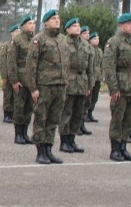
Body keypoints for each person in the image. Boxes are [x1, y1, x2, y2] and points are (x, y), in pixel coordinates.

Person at [27, 9, 69, 165]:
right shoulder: (39, 40)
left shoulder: (63, 40)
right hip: (44, 86)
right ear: (45, 22)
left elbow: (66, 63)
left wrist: (66, 82)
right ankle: (40, 151)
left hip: (60, 85)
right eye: (53, 19)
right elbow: (31, 66)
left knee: (53, 119)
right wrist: (33, 88)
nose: (57, 21)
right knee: (41, 118)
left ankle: (49, 149)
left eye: (58, 18)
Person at [103, 13, 131, 162]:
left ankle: (124, 146)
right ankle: (115, 149)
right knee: (118, 118)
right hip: (121, 84)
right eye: (127, 23)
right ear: (121, 25)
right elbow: (109, 67)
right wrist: (113, 89)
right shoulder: (114, 42)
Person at [58, 18, 93, 154]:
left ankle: (72, 140)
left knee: (78, 113)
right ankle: (64, 141)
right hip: (69, 80)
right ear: (67, 29)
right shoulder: (63, 43)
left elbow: (90, 67)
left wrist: (89, 85)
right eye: (74, 26)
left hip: (81, 81)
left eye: (78, 26)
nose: (77, 28)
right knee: (66, 112)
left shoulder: (85, 45)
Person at [7, 15, 36, 145]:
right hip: (21, 79)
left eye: (33, 23)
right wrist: (13, 80)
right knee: (19, 107)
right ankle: (18, 133)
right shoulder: (17, 40)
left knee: (29, 108)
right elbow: (11, 61)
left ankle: (25, 132)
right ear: (23, 25)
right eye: (29, 23)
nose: (32, 25)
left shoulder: (35, 40)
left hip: (32, 80)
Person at [0, 24, 20, 123]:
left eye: (19, 31)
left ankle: (16, 114)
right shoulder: (6, 45)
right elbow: (3, 61)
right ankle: (7, 113)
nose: (18, 33)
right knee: (8, 95)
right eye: (16, 31)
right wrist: (4, 76)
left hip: (19, 74)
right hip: (8, 74)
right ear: (12, 33)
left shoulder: (21, 44)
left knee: (18, 96)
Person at [85, 32, 103, 125]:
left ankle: (90, 113)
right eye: (95, 39)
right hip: (91, 76)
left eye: (98, 39)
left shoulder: (99, 51)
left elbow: (101, 64)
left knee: (95, 97)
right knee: (89, 96)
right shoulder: (88, 49)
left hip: (98, 76)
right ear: (90, 40)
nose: (97, 40)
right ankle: (85, 114)